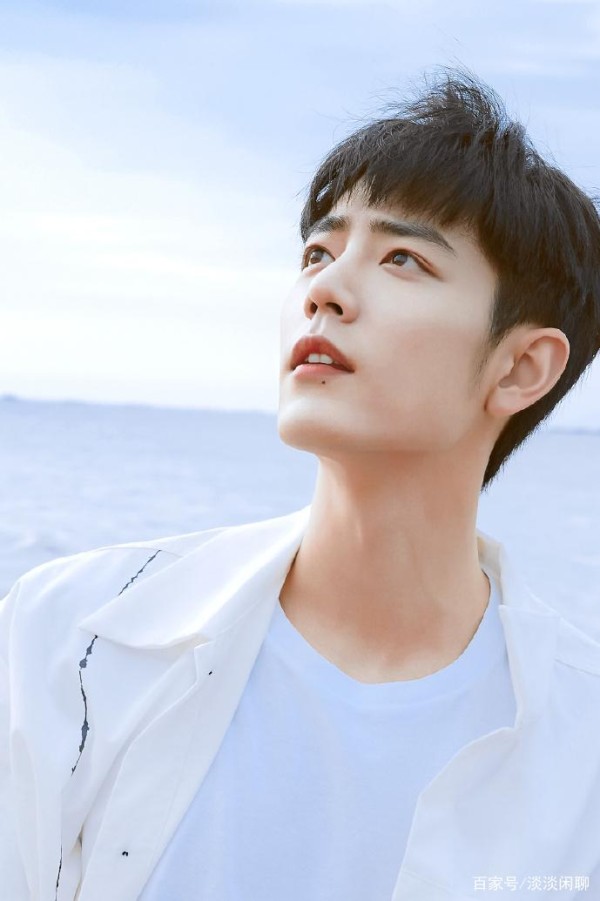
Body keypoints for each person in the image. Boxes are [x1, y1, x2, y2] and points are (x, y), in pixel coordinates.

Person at [2, 70, 600, 901]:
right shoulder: (70, 638)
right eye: (318, 253)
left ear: (521, 367)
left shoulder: (581, 745)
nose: (324, 290)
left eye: (402, 258)